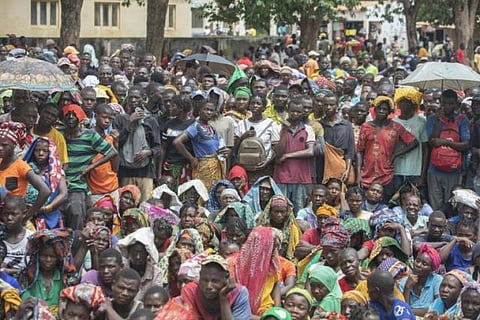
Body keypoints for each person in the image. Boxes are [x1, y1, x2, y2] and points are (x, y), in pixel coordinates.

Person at [62, 104, 117, 230]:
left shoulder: (90, 136)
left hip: (76, 185)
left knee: (76, 212)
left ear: (81, 117)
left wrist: (90, 167)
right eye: (68, 115)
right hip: (58, 183)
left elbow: (112, 152)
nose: (71, 118)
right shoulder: (59, 134)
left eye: (74, 115)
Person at [357, 96, 418, 201]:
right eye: (379, 108)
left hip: (386, 174)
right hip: (367, 174)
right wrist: (358, 174)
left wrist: (396, 154)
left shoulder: (396, 127)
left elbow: (413, 142)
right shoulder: (366, 127)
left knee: (384, 204)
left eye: (384, 109)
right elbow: (359, 150)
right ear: (374, 110)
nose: (381, 111)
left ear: (390, 111)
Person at [426, 89, 470, 210]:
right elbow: (431, 141)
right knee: (435, 203)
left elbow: (466, 144)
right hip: (434, 169)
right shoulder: (432, 119)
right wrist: (438, 121)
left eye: (451, 103)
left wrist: (445, 142)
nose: (447, 106)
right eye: (444, 103)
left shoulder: (462, 120)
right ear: (441, 103)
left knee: (451, 203)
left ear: (456, 104)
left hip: (454, 169)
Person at [173, 101, 226, 193]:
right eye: (206, 109)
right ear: (199, 111)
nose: (208, 112)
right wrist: (191, 158)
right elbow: (177, 142)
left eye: (211, 110)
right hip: (204, 166)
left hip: (215, 165)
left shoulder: (211, 128)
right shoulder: (195, 127)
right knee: (203, 192)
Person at [228, 226, 281, 316]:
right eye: (269, 247)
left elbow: (276, 288)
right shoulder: (233, 265)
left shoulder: (272, 265)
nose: (273, 251)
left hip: (265, 312)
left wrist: (277, 313)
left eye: (275, 247)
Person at [274, 97, 315, 212]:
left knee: (299, 211)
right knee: (281, 210)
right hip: (282, 177)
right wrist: (284, 132)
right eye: (292, 111)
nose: (295, 114)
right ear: (288, 110)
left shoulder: (308, 129)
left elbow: (310, 151)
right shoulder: (277, 128)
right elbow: (278, 152)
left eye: (298, 112)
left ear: (303, 113)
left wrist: (288, 156)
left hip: (301, 178)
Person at [0, 122, 50, 218]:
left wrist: (28, 215)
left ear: (14, 145)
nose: (0, 148)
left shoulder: (21, 167)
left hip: (12, 218)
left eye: (4, 145)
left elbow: (45, 191)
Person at [180, 254, 252, 320]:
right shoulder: (191, 291)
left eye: (215, 281)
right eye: (204, 280)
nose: (208, 286)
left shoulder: (239, 293)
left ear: (226, 278)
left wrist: (223, 298)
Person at [234, 93, 279, 184]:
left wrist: (266, 162)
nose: (255, 106)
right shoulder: (241, 123)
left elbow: (276, 147)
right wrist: (243, 137)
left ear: (264, 107)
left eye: (258, 103)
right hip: (244, 168)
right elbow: (234, 147)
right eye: (252, 103)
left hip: (264, 168)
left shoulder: (271, 124)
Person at [23, 136, 67, 230]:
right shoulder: (26, 168)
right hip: (25, 211)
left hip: (49, 215)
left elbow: (63, 194)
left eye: (44, 151)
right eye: (37, 150)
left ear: (50, 152)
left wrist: (45, 208)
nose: (41, 153)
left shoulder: (56, 171)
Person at [392, 87, 428, 190]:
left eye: (408, 101)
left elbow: (425, 149)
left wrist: (422, 175)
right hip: (396, 169)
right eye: (402, 101)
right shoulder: (393, 122)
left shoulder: (421, 122)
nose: (405, 105)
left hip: (415, 170)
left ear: (414, 104)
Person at [86, 104, 120, 204]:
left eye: (110, 119)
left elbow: (115, 168)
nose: (107, 121)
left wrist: (116, 144)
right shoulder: (87, 138)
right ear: (96, 116)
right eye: (104, 117)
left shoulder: (110, 139)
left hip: (112, 187)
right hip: (94, 191)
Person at [117, 228, 162, 300]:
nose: (138, 257)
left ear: (147, 253)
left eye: (141, 253)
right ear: (129, 251)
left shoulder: (155, 272)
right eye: (135, 252)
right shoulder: (121, 267)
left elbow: (156, 297)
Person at [321, 92, 355, 184]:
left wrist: (347, 170)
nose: (328, 107)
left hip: (341, 168)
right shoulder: (319, 125)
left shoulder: (346, 125)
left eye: (331, 105)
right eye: (326, 105)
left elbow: (350, 151)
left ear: (337, 106)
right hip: (322, 168)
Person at [399, 244, 442, 316]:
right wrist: (407, 287)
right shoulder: (404, 281)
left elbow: (437, 309)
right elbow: (402, 311)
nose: (418, 265)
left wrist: (410, 311)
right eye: (417, 260)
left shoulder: (437, 280)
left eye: (424, 264)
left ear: (431, 269)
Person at [257, 195, 301, 260]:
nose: (279, 215)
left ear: (287, 212)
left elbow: (295, 251)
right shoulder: (262, 228)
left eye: (282, 212)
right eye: (276, 211)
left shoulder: (292, 230)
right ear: (270, 212)